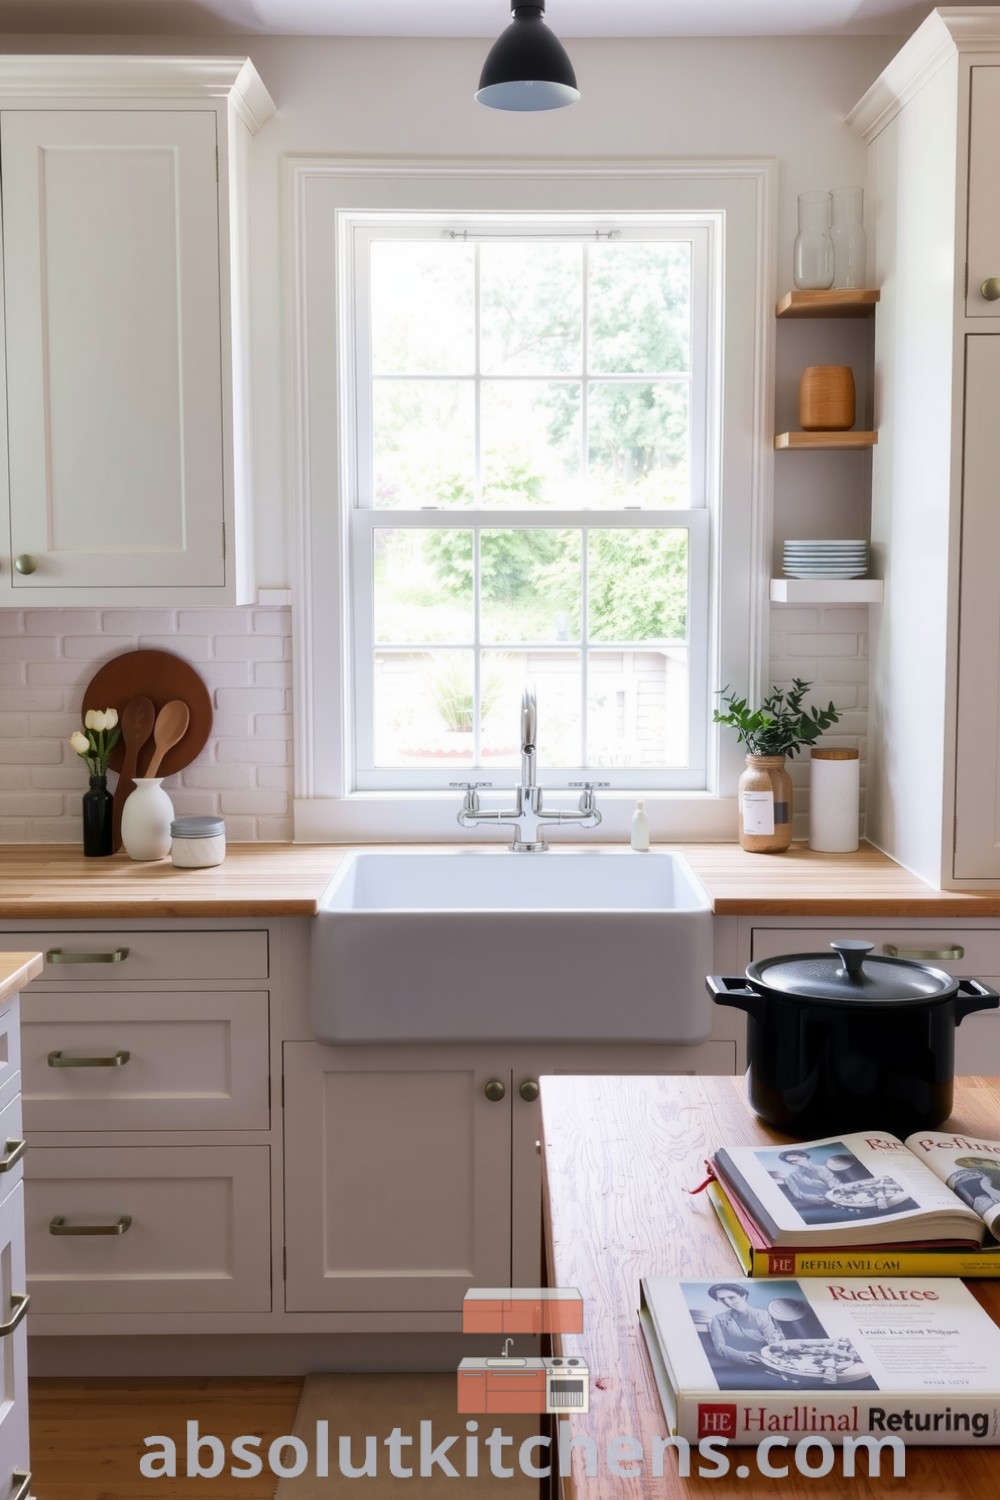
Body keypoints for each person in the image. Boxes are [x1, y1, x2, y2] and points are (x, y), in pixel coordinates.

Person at [706, 1284, 783, 1366]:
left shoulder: (761, 1314)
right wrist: (742, 1356)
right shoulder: (717, 1319)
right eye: (722, 1299)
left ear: (743, 1296)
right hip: (738, 1364)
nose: (727, 1302)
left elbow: (771, 1337)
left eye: (731, 1297)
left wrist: (776, 1350)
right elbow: (720, 1348)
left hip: (770, 1361)